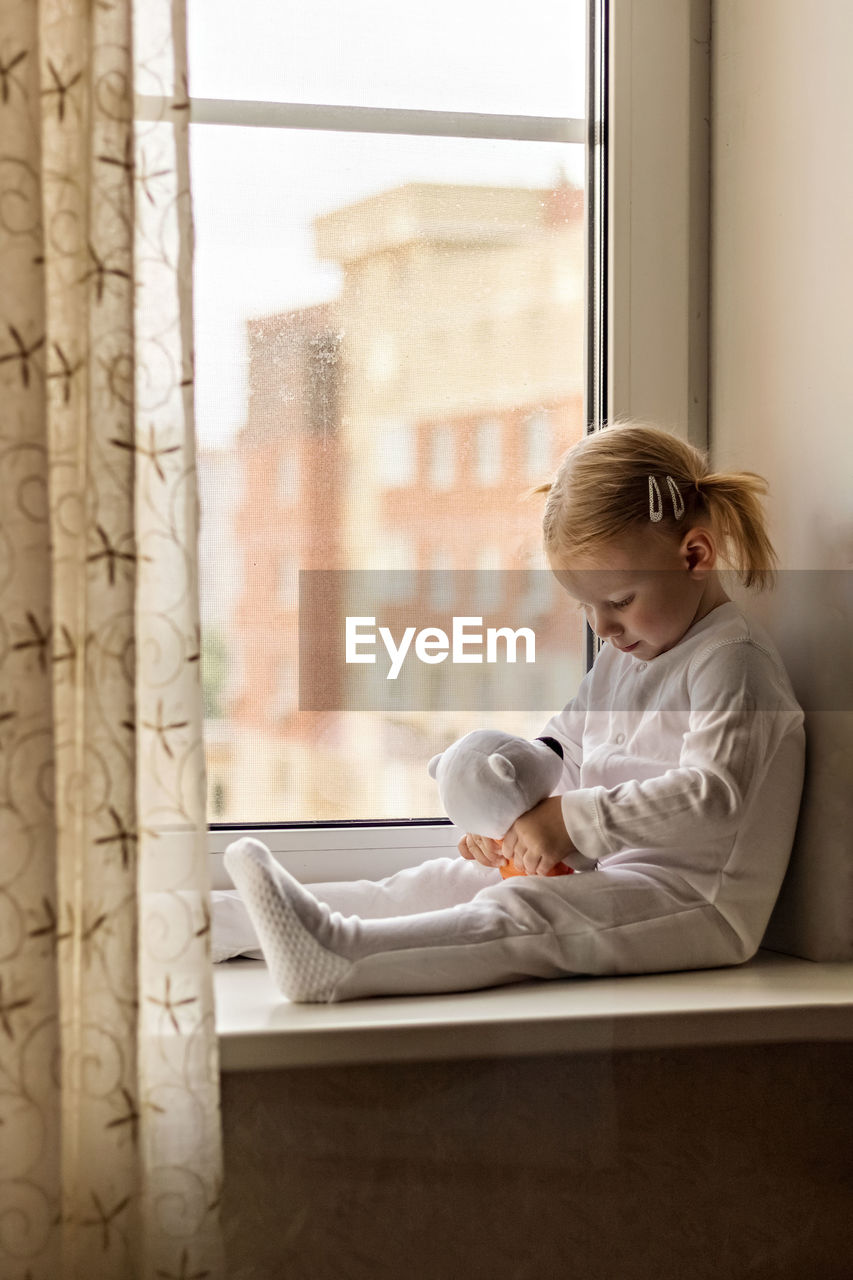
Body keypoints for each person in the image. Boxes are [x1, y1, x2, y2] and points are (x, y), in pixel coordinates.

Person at [223, 422, 805, 1003]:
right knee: (445, 880)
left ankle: (340, 959)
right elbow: (563, 749)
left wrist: (569, 822)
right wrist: (507, 814)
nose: (602, 627)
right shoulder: (627, 656)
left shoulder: (734, 661)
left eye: (619, 601)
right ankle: (220, 922)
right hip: (611, 875)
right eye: (584, 607)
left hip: (696, 905)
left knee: (526, 910)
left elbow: (716, 795)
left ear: (695, 556)